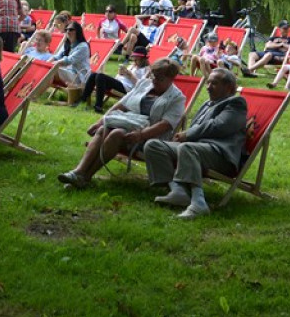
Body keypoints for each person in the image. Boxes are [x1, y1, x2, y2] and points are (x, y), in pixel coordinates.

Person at [58, 58, 184, 189]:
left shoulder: (177, 98)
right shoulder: (145, 84)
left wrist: (141, 135)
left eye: (159, 78)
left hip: (149, 137)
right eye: (153, 76)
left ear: (171, 78)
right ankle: (78, 172)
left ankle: (86, 176)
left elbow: (166, 124)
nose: (154, 80)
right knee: (102, 130)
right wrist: (100, 122)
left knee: (116, 134)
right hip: (127, 123)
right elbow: (122, 104)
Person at [147, 68, 247, 219]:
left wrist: (188, 134)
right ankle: (178, 190)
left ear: (229, 88)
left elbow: (220, 125)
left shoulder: (236, 104)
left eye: (214, 83)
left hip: (220, 155)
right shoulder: (208, 103)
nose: (208, 86)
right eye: (208, 82)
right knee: (153, 145)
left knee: (188, 148)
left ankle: (198, 202)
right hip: (196, 149)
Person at [81, 46, 152, 113]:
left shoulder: (147, 70)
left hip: (127, 89)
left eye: (137, 58)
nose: (134, 60)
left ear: (143, 59)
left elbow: (141, 86)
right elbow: (122, 76)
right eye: (134, 58)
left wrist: (130, 75)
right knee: (94, 74)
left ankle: (98, 106)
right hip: (119, 83)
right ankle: (83, 99)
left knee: (100, 76)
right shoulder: (133, 66)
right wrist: (121, 73)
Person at [52, 21, 91, 105]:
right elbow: (56, 57)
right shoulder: (67, 44)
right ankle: (36, 94)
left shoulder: (83, 46)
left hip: (79, 77)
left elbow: (69, 60)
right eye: (66, 30)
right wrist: (46, 63)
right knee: (49, 70)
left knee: (52, 71)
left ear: (78, 31)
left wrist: (53, 65)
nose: (68, 32)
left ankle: (35, 95)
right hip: (69, 73)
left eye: (71, 29)